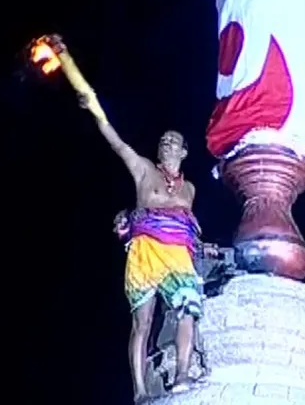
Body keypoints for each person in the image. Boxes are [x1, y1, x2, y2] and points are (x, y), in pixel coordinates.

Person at [78, 94, 216, 401]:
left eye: (173, 141)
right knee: (142, 322)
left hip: (178, 254)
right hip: (144, 251)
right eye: (163, 140)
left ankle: (182, 374)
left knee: (187, 311)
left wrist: (200, 245)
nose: (166, 143)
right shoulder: (143, 169)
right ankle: (139, 392)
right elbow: (118, 144)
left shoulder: (189, 188)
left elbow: (186, 222)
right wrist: (96, 113)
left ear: (184, 151)